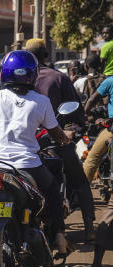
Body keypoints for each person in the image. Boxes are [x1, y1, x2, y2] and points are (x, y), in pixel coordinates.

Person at [0, 50, 71, 267]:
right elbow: (55, 132)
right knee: (52, 189)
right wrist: (65, 137)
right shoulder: (41, 102)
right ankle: (60, 235)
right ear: (32, 75)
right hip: (28, 165)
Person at [25, 38, 94, 237]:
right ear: (46, 56)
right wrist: (73, 128)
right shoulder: (58, 77)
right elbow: (75, 111)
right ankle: (89, 228)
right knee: (80, 181)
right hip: (52, 141)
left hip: (21, 144)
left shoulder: (12, 82)